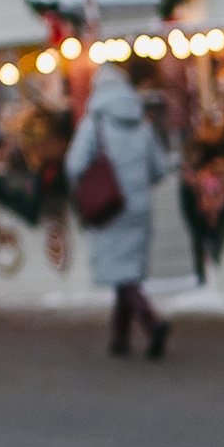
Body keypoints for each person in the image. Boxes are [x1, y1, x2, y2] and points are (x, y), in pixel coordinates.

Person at [65, 62, 174, 360]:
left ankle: (152, 322)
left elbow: (74, 165)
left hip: (107, 207)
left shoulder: (94, 124)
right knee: (126, 272)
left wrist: (89, 184)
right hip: (139, 208)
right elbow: (159, 169)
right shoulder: (143, 123)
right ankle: (120, 338)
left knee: (123, 275)